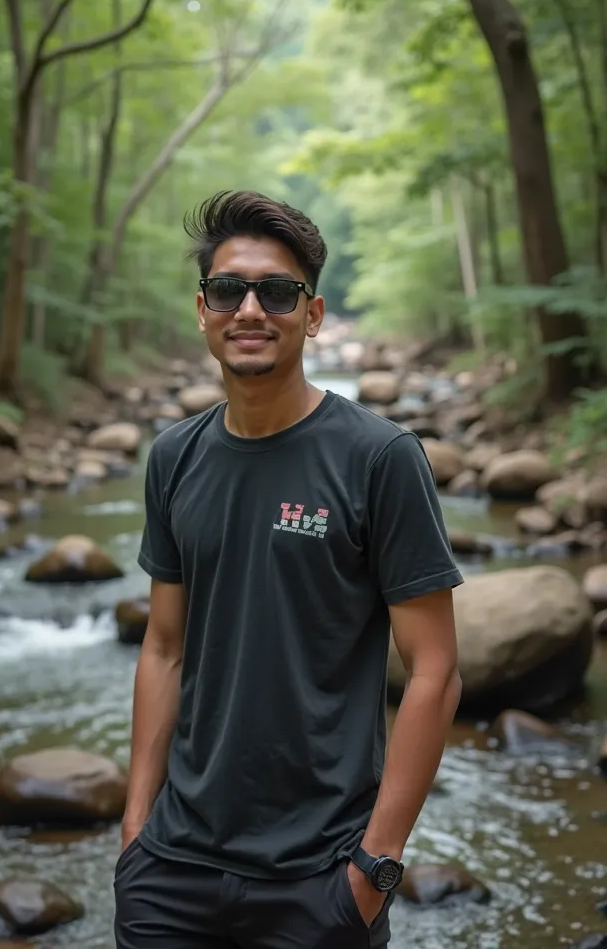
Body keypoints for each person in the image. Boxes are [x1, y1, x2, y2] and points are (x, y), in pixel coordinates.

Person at [114, 190, 463, 949]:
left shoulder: (380, 459)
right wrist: (136, 825)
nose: (250, 309)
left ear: (312, 313)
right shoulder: (175, 457)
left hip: (321, 877)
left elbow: (434, 671)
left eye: (276, 291)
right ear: (202, 309)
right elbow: (164, 647)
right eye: (227, 289)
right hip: (171, 868)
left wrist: (376, 866)